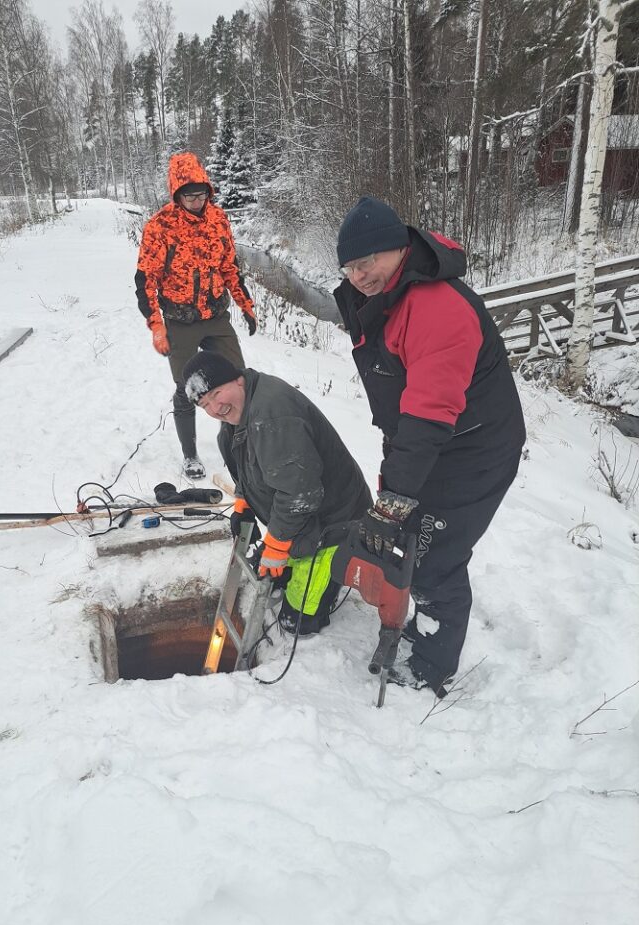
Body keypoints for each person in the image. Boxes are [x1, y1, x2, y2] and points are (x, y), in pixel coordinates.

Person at [334, 197, 526, 696]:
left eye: (368, 261)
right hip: (427, 440)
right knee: (413, 539)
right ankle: (417, 619)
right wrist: (395, 483)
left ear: (399, 248)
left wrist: (394, 498)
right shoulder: (386, 299)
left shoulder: (437, 307)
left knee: (436, 555)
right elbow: (405, 403)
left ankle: (431, 667)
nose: (358, 275)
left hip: (475, 448)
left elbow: (429, 411)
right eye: (350, 267)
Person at [181, 351, 372, 635]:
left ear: (237, 379)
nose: (213, 409)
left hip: (331, 525)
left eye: (216, 394)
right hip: (302, 519)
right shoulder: (242, 408)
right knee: (273, 573)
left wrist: (278, 544)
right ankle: (292, 558)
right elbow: (249, 463)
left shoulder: (271, 415)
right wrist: (244, 504)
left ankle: (325, 590)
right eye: (204, 404)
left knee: (297, 622)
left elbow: (301, 493)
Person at [135, 152, 257, 481]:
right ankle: (190, 455)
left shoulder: (218, 219)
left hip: (215, 314)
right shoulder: (160, 226)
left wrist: (245, 304)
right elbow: (145, 280)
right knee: (187, 386)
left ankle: (242, 447)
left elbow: (230, 267)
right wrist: (157, 326)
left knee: (238, 379)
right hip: (180, 318)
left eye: (201, 194)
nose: (196, 200)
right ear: (177, 194)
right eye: (189, 195)